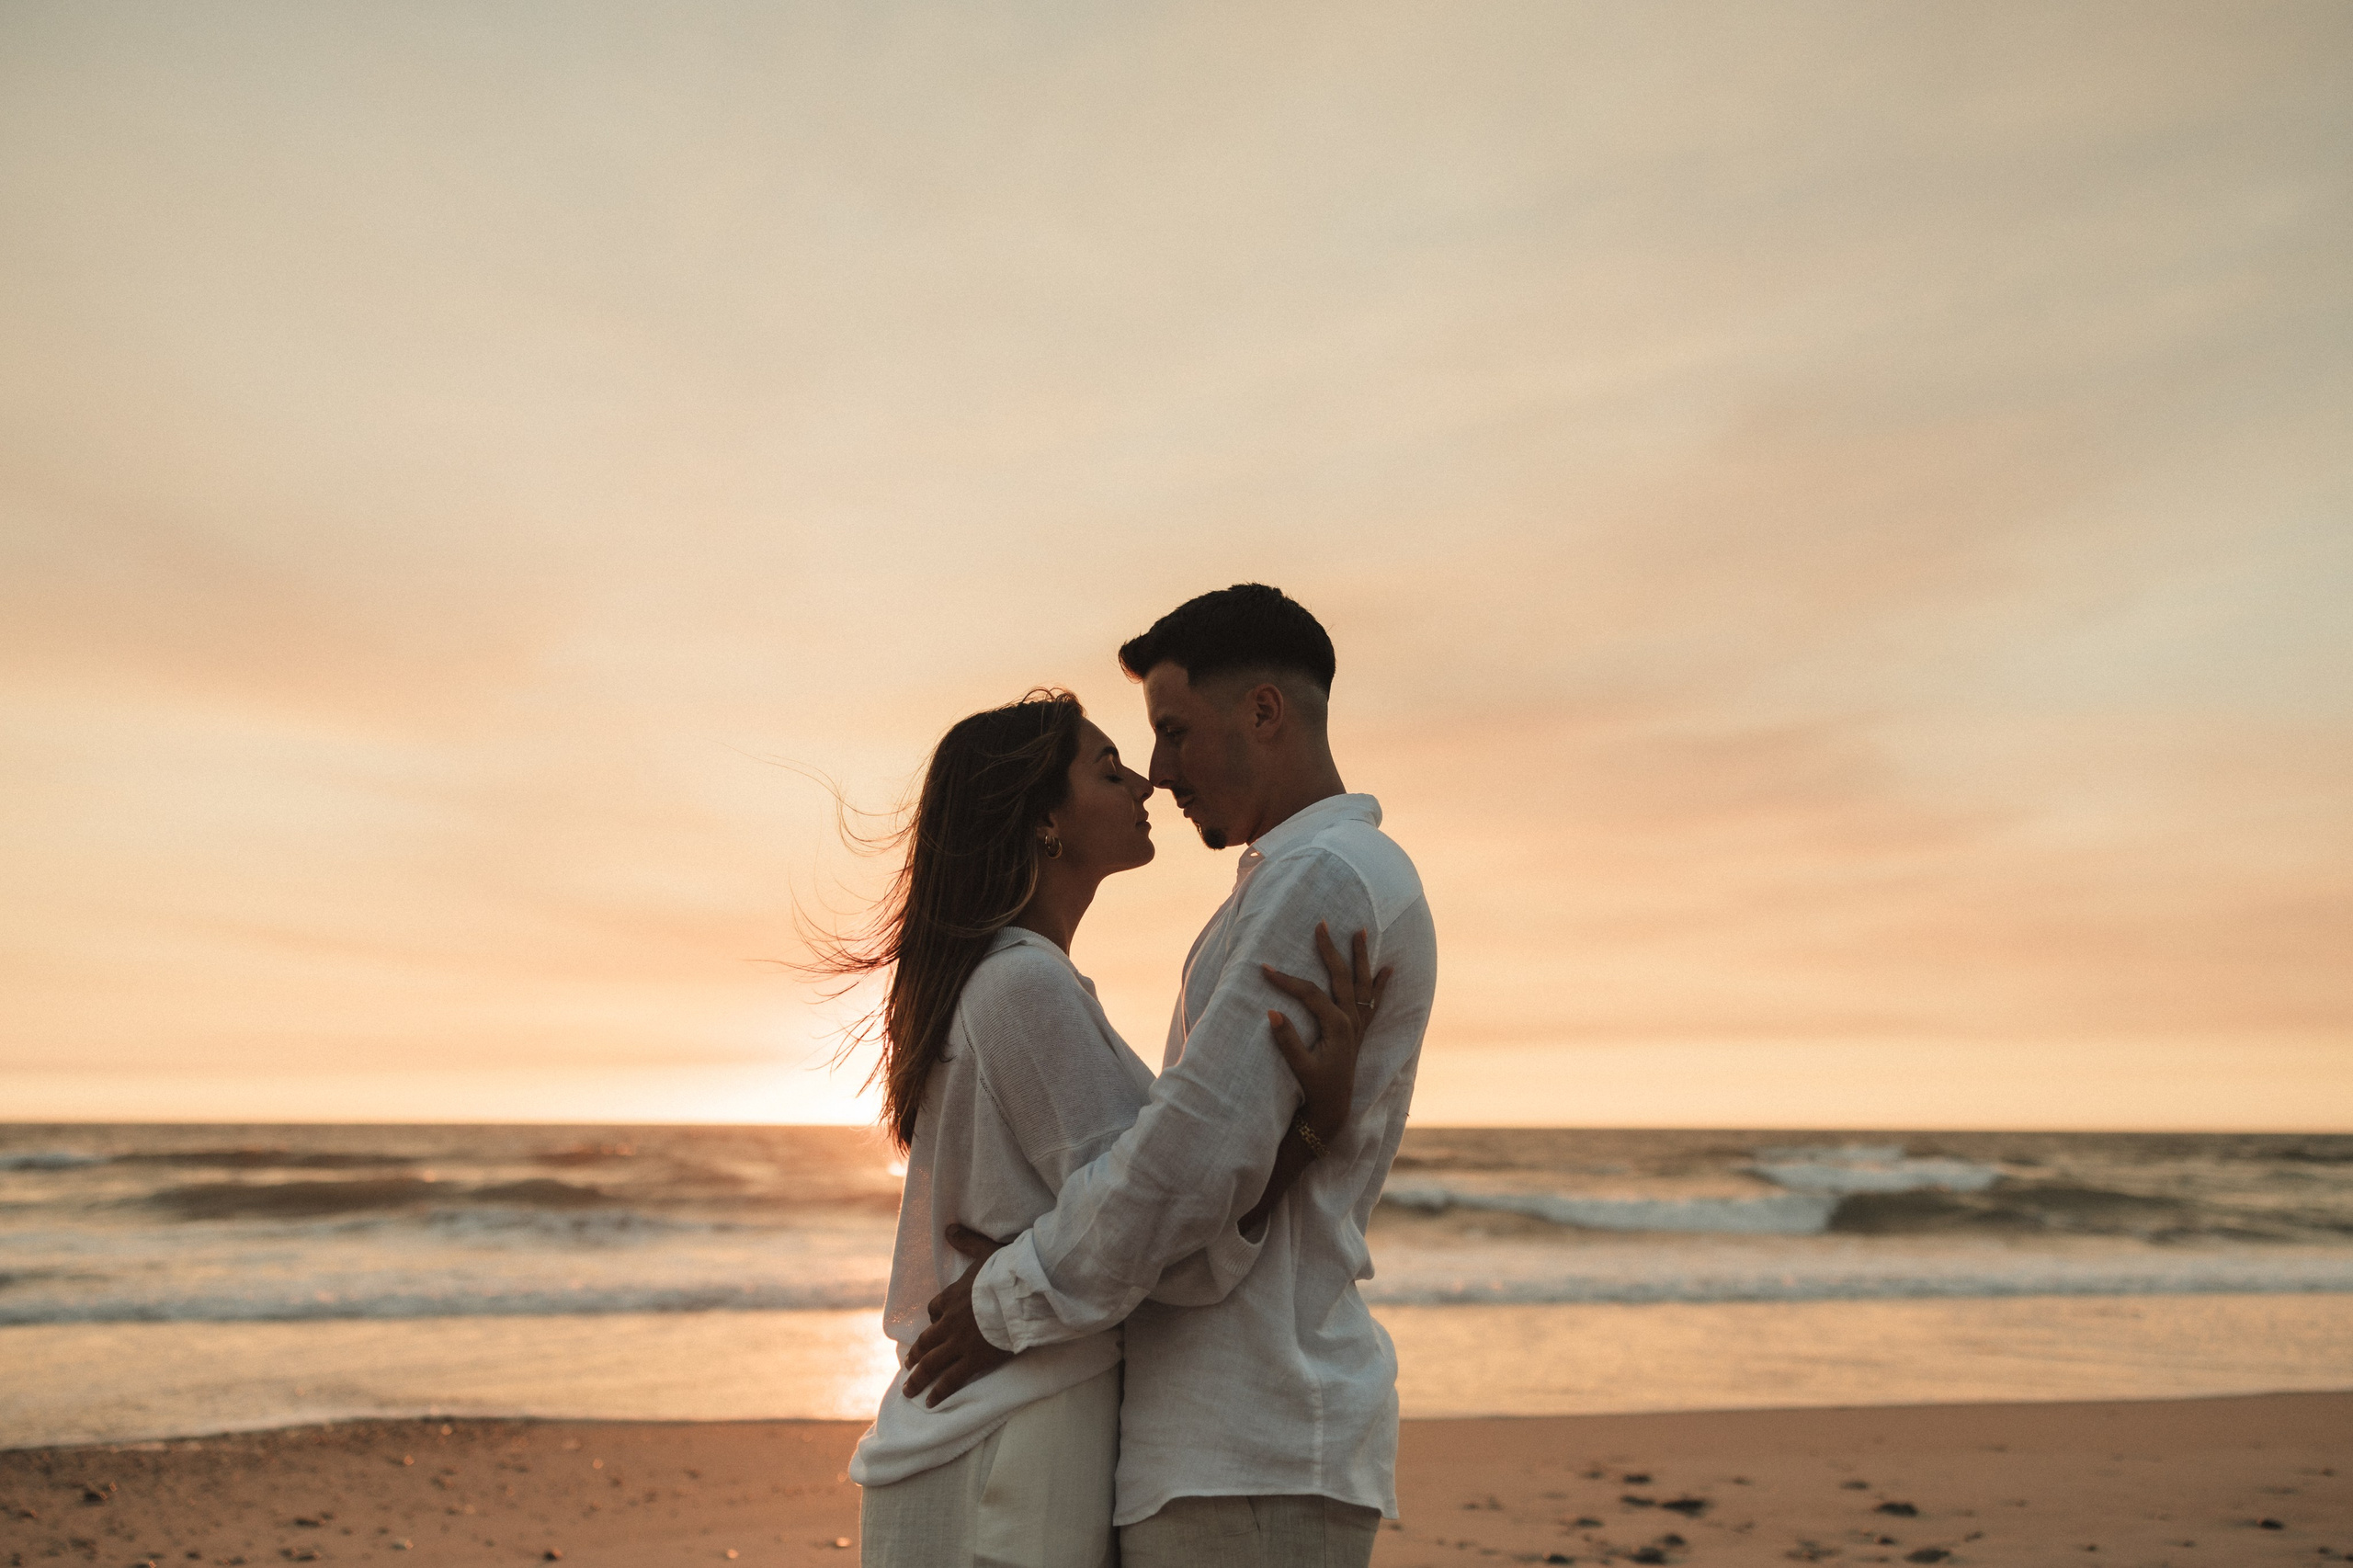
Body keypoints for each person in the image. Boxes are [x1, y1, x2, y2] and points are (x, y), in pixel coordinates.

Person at [905, 585, 1438, 1568]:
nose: (1157, 772)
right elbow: (1180, 1174)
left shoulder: (1320, 878)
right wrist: (1303, 1138)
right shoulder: (1290, 883)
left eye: (1173, 731)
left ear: (1264, 712)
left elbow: (1182, 1175)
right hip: (1225, 1444)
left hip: (1249, 1438)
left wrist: (1004, 1296)